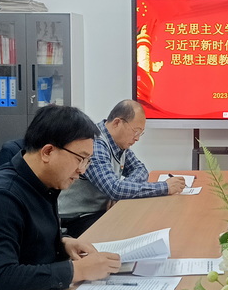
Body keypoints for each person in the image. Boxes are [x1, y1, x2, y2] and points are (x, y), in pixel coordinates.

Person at [0, 105, 121, 290]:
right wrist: (75, 271)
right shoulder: (2, 198)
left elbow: (23, 239)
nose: (82, 170)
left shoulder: (42, 184)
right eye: (80, 158)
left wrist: (61, 243)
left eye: (87, 161)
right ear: (48, 152)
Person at [58, 100, 186, 236]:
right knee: (133, 229)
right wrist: (164, 187)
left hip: (100, 211)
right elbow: (114, 189)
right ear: (117, 123)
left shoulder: (118, 143)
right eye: (136, 131)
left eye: (141, 133)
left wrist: (121, 192)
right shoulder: (96, 145)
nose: (137, 138)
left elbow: (140, 169)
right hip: (78, 218)